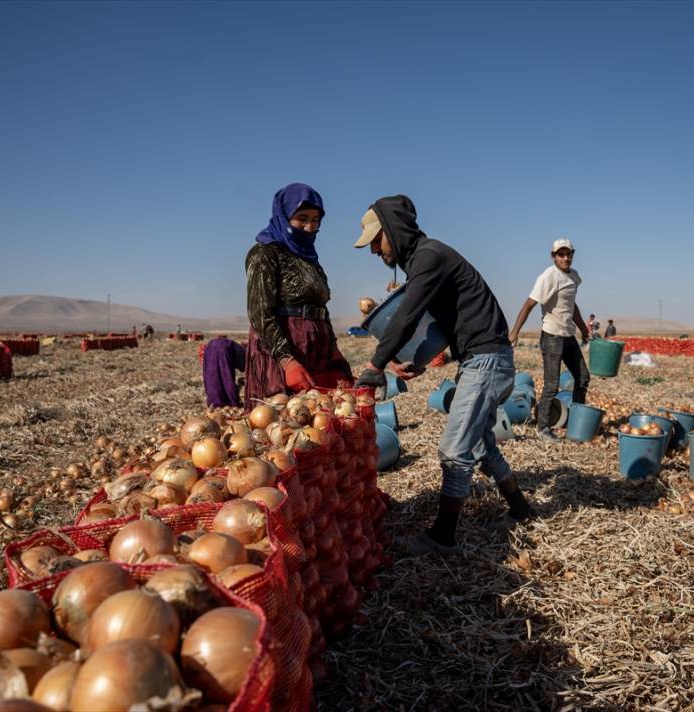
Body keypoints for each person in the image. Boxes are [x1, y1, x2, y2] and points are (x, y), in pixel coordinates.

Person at [352, 195, 535, 556]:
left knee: (453, 450)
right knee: (480, 443)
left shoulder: (429, 257)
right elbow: (441, 326)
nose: (374, 250)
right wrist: (415, 360)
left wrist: (375, 365)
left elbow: (406, 316)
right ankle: (520, 507)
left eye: (376, 240)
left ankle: (443, 537)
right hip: (484, 359)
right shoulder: (427, 259)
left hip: (486, 362)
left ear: (393, 229)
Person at [244, 183, 353, 402]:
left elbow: (321, 308)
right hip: (283, 347)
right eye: (302, 218)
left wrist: (333, 350)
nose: (310, 226)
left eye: (315, 220)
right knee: (283, 414)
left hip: (316, 347)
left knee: (320, 413)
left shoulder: (310, 259)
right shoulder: (265, 253)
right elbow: (260, 313)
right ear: (284, 216)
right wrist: (286, 361)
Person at [508, 239, 590, 444]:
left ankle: (576, 423)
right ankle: (543, 428)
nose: (565, 258)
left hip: (568, 335)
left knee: (583, 378)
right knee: (552, 385)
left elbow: (572, 305)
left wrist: (583, 328)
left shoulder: (573, 276)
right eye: (561, 254)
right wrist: (515, 332)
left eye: (568, 254)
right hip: (552, 335)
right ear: (553, 256)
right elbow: (529, 304)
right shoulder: (548, 277)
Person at [203, 337, 247, 407]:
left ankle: (214, 401)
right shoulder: (240, 350)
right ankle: (230, 401)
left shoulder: (212, 344)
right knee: (226, 377)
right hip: (224, 351)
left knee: (212, 376)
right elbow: (243, 365)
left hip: (210, 350)